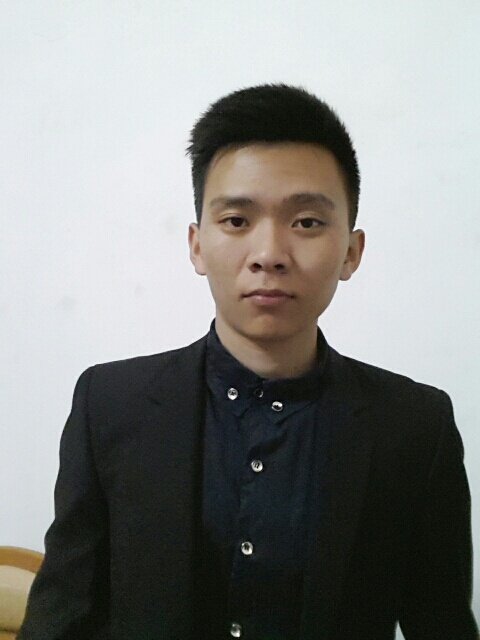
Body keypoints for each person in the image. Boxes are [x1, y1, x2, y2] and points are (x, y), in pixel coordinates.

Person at [19, 84, 478, 640]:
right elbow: (62, 619)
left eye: (306, 222)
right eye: (237, 220)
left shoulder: (414, 426)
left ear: (351, 251)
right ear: (196, 244)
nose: (269, 254)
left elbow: (443, 624)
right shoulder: (110, 406)